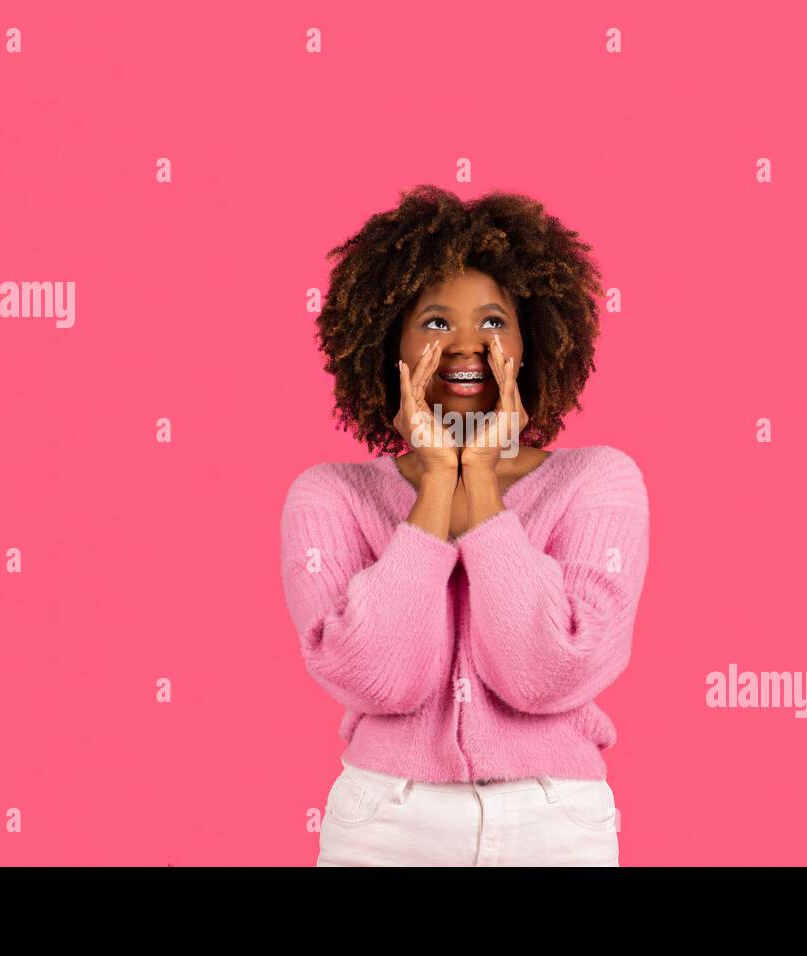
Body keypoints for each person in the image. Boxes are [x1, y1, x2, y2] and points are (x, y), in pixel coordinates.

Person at [280, 184, 649, 866]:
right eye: (435, 323)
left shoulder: (598, 482)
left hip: (555, 824)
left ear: (531, 341)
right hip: (385, 826)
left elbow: (546, 675)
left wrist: (478, 479)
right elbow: (380, 681)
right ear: (389, 343)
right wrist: (433, 486)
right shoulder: (330, 496)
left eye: (494, 321)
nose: (467, 345)